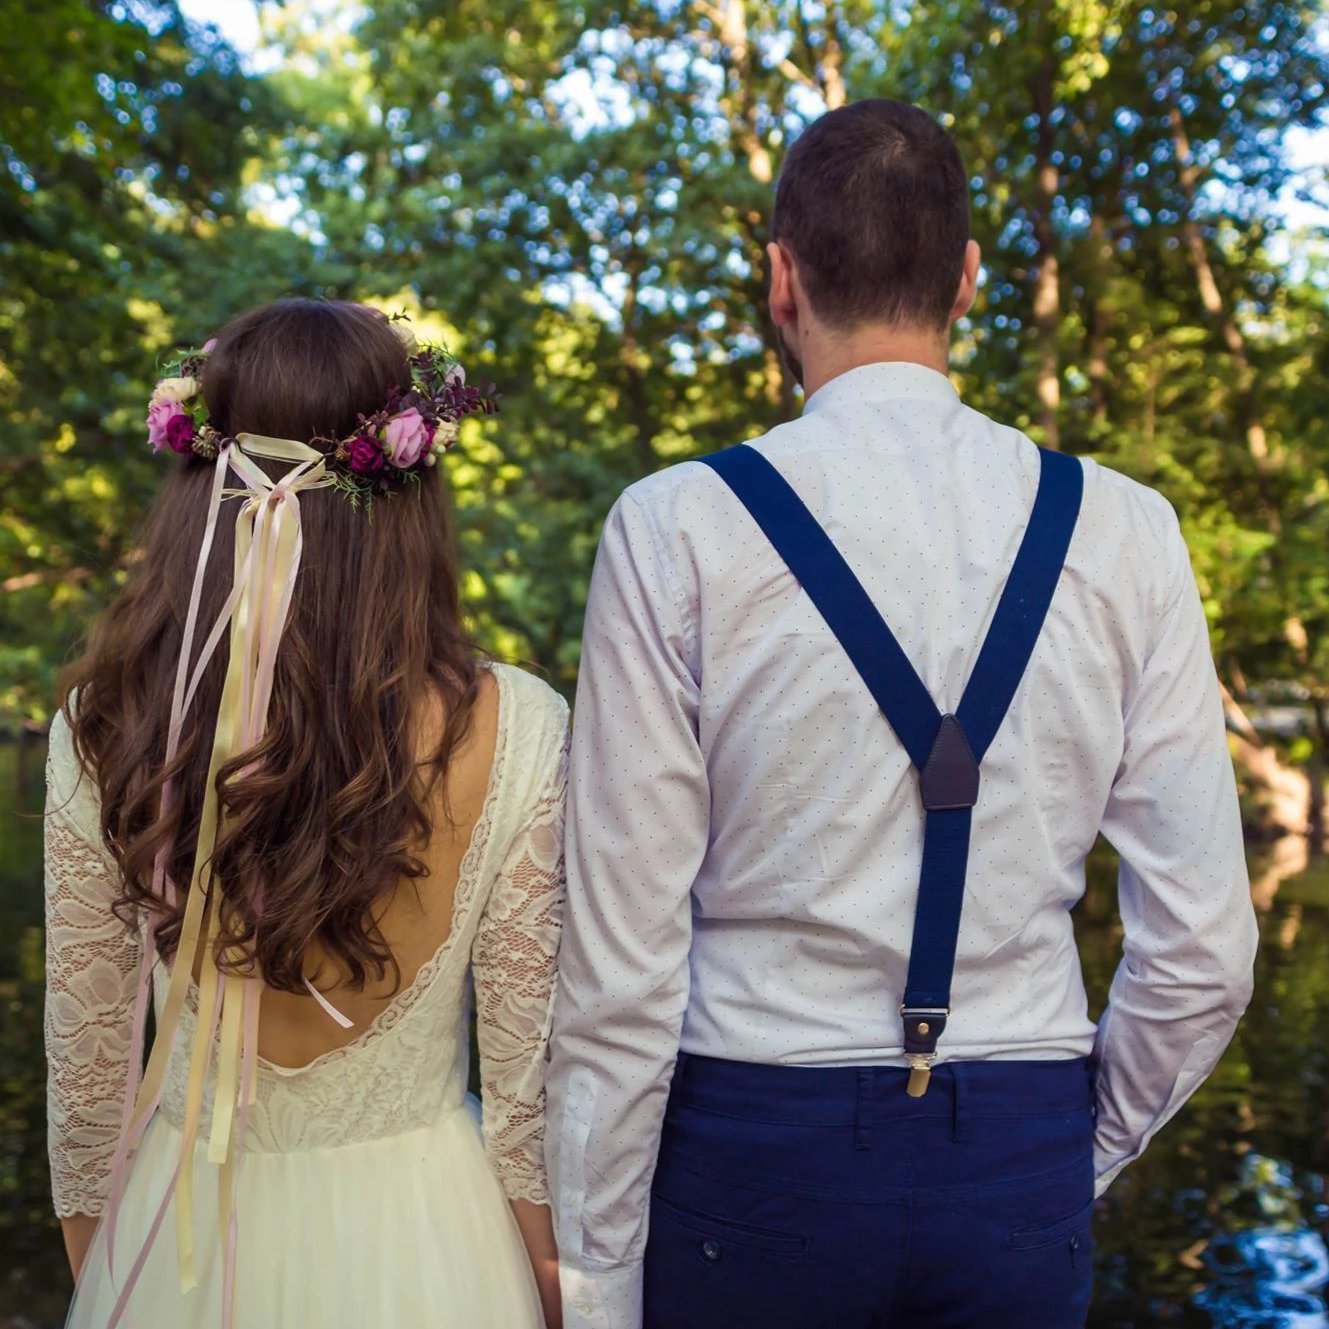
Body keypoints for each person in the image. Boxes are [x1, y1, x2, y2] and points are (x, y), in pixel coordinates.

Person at [546, 98, 1258, 1329]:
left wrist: (599, 1276)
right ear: (968, 280)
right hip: (1019, 1150)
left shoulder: (675, 529)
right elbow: (1205, 956)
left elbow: (621, 970)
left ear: (781, 279)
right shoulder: (1127, 531)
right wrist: (1068, 1158)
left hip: (751, 1158)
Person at [44, 299, 567, 1328]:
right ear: (412, 492)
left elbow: (88, 1093)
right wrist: (551, 1294)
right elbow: (523, 1107)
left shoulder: (105, 729)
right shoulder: (519, 727)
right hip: (435, 1251)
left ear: (198, 483)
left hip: (173, 1246)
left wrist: (113, 1288)